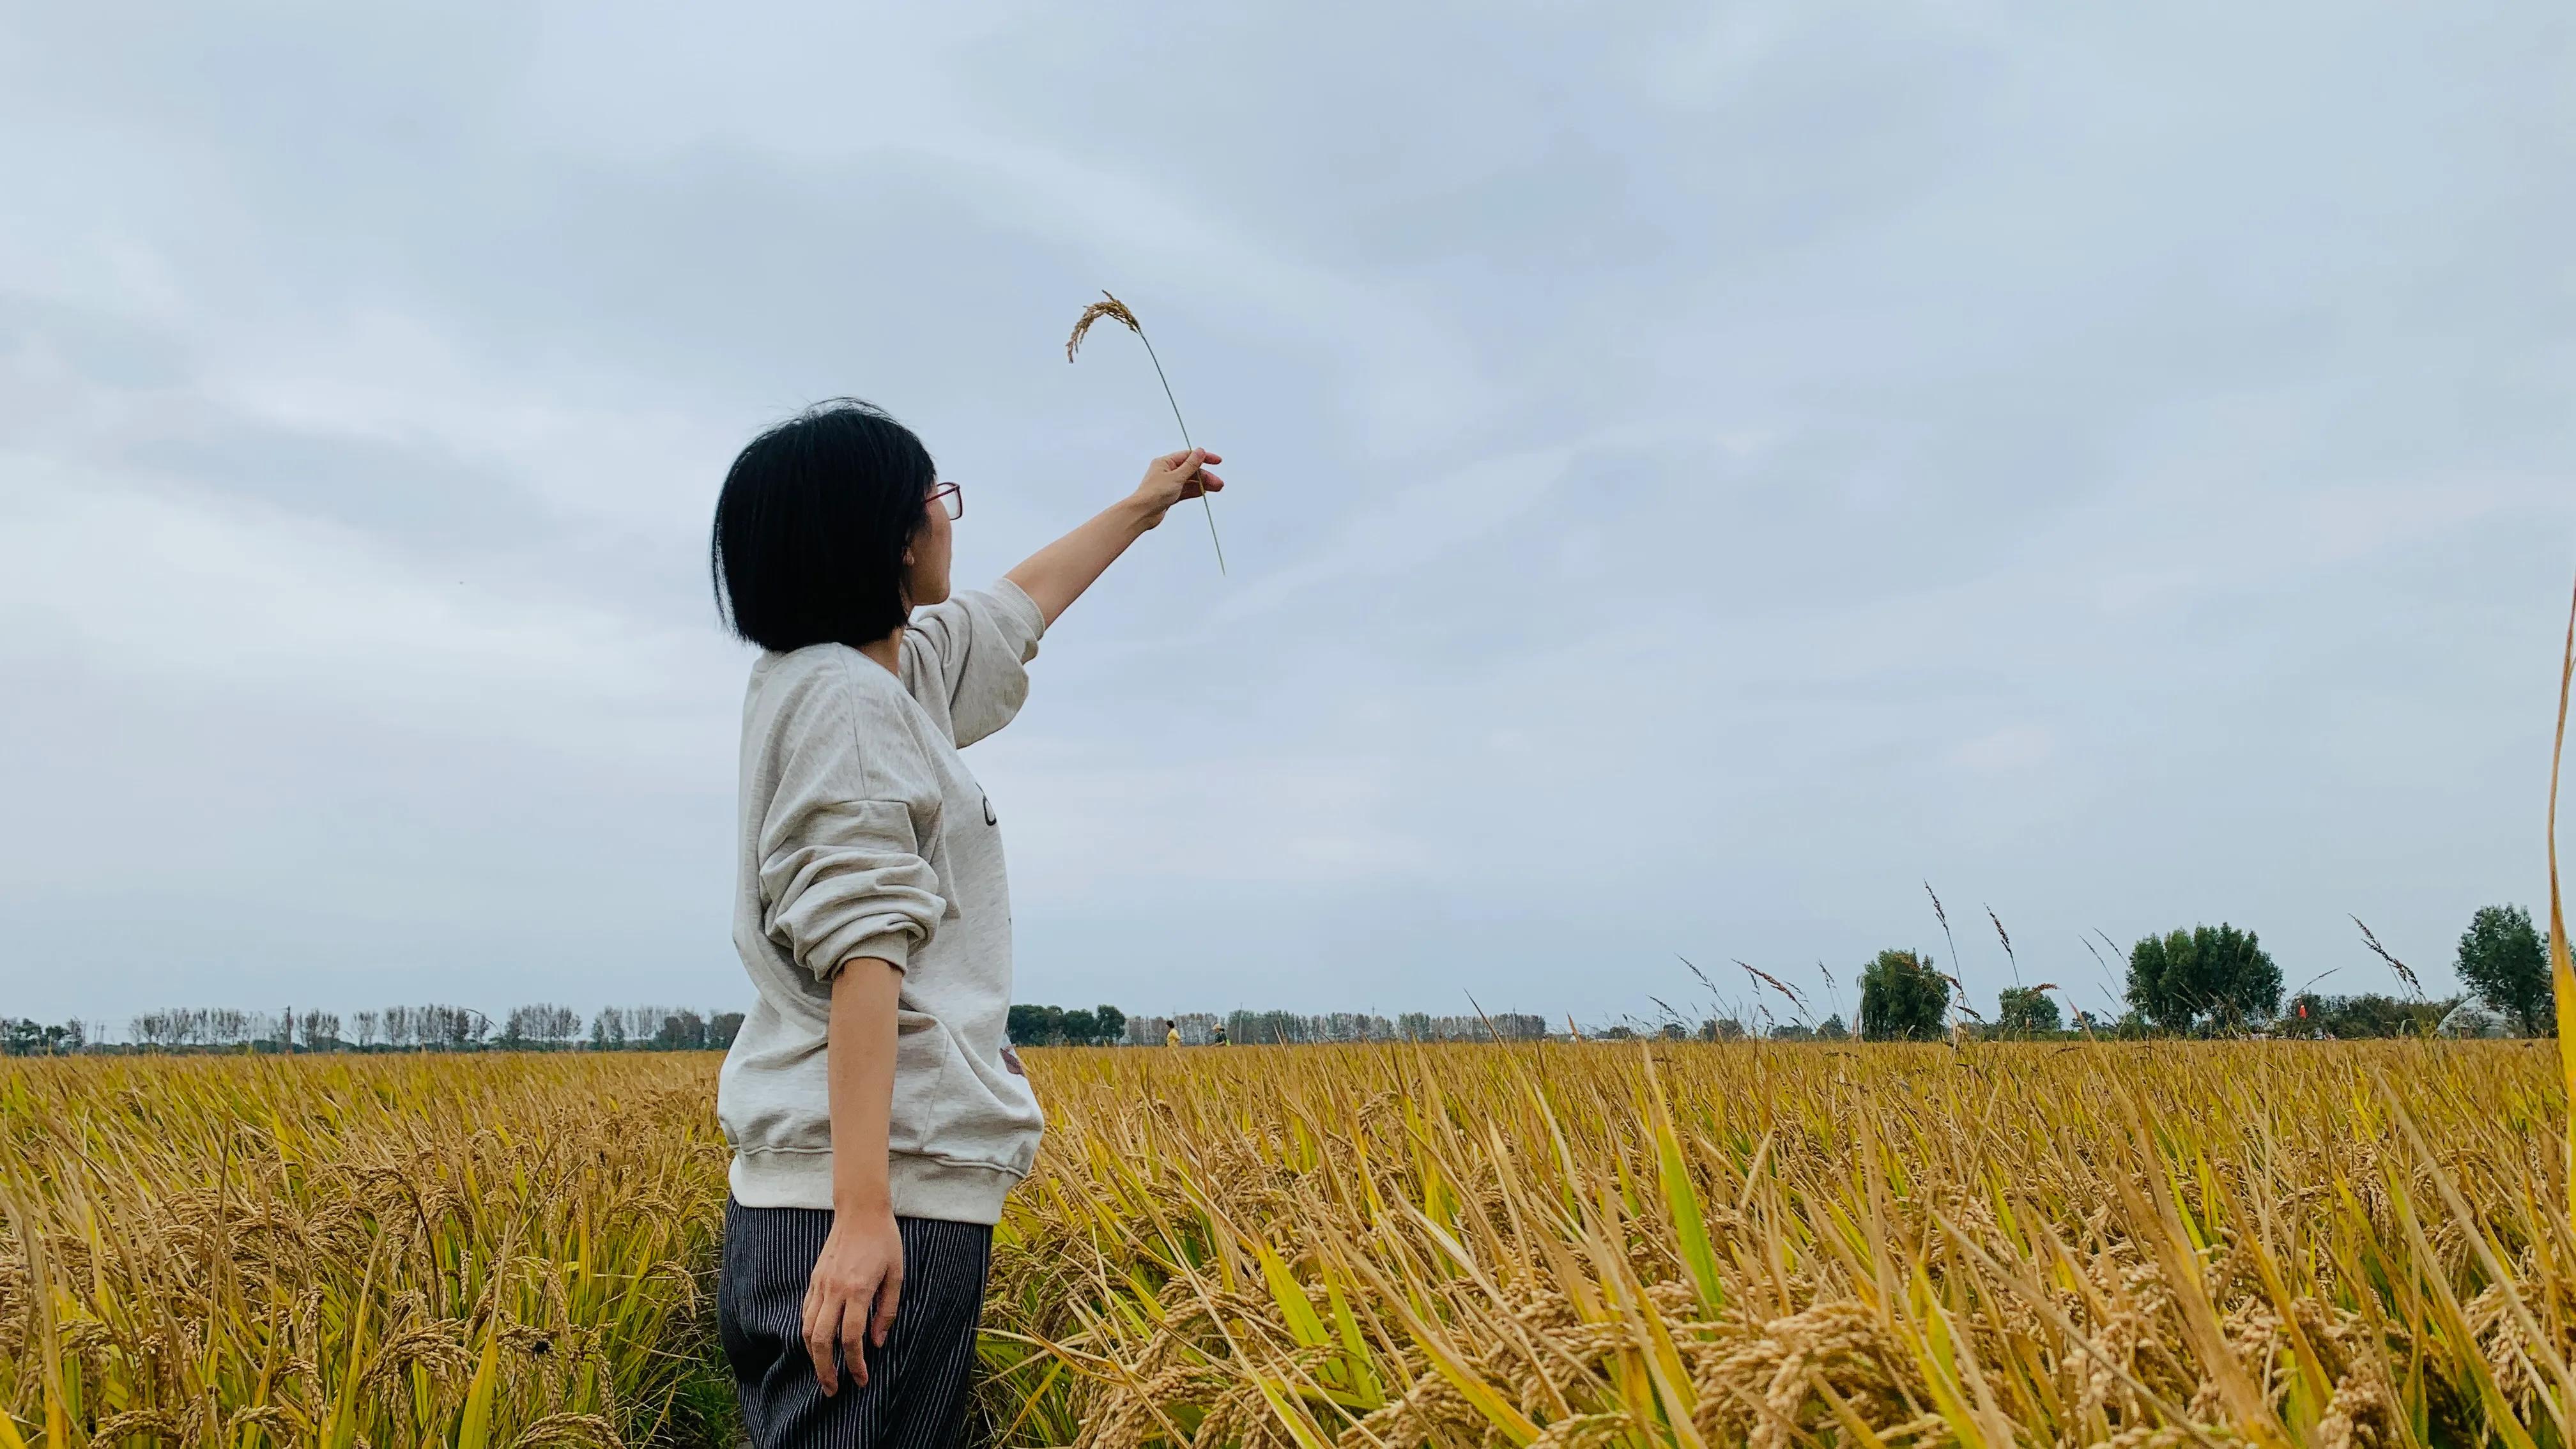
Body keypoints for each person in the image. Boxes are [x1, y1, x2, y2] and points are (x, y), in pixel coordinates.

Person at [708, 399, 1224, 1445]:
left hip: (853, 1185)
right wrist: (862, 1217)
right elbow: (863, 953)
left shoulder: (871, 679)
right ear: (890, 539)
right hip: (864, 1196)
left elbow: (1011, 609)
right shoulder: (847, 703)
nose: (951, 518)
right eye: (936, 500)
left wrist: (1142, 505)